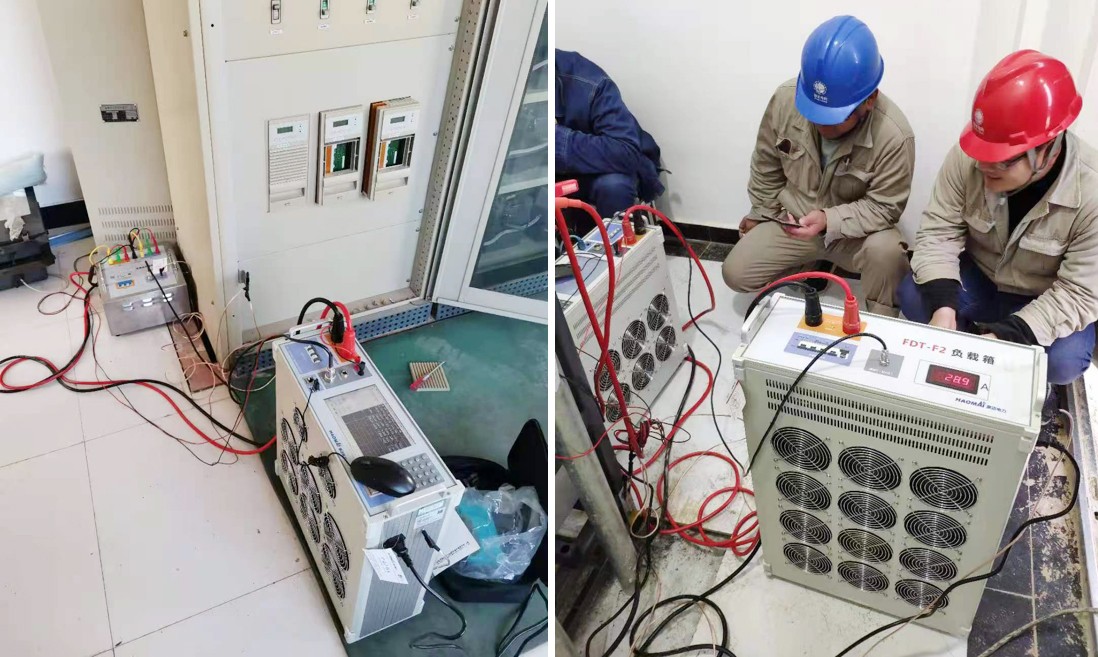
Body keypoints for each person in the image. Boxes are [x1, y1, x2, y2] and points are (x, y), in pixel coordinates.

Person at [900, 50, 1095, 385]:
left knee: (1063, 362)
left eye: (1002, 159)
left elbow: (1078, 293)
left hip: (1044, 295)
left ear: (1048, 149)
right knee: (914, 297)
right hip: (982, 278)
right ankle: (966, 347)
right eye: (982, 152)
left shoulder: (1091, 192)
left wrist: (1007, 337)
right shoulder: (967, 158)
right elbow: (938, 232)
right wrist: (943, 307)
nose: (983, 165)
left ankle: (997, 349)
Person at [722, 15, 914, 316]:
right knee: (735, 273)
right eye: (814, 112)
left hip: (854, 235)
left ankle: (881, 322)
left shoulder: (894, 135)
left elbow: (884, 207)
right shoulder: (785, 100)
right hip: (796, 224)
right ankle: (811, 264)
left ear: (869, 100)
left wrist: (829, 219)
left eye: (834, 117)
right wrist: (762, 213)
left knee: (887, 252)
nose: (821, 124)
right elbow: (766, 163)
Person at [555, 49, 664, 226]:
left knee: (614, 186)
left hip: (606, 166)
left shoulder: (590, 82)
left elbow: (625, 150)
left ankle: (614, 242)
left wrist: (558, 142)